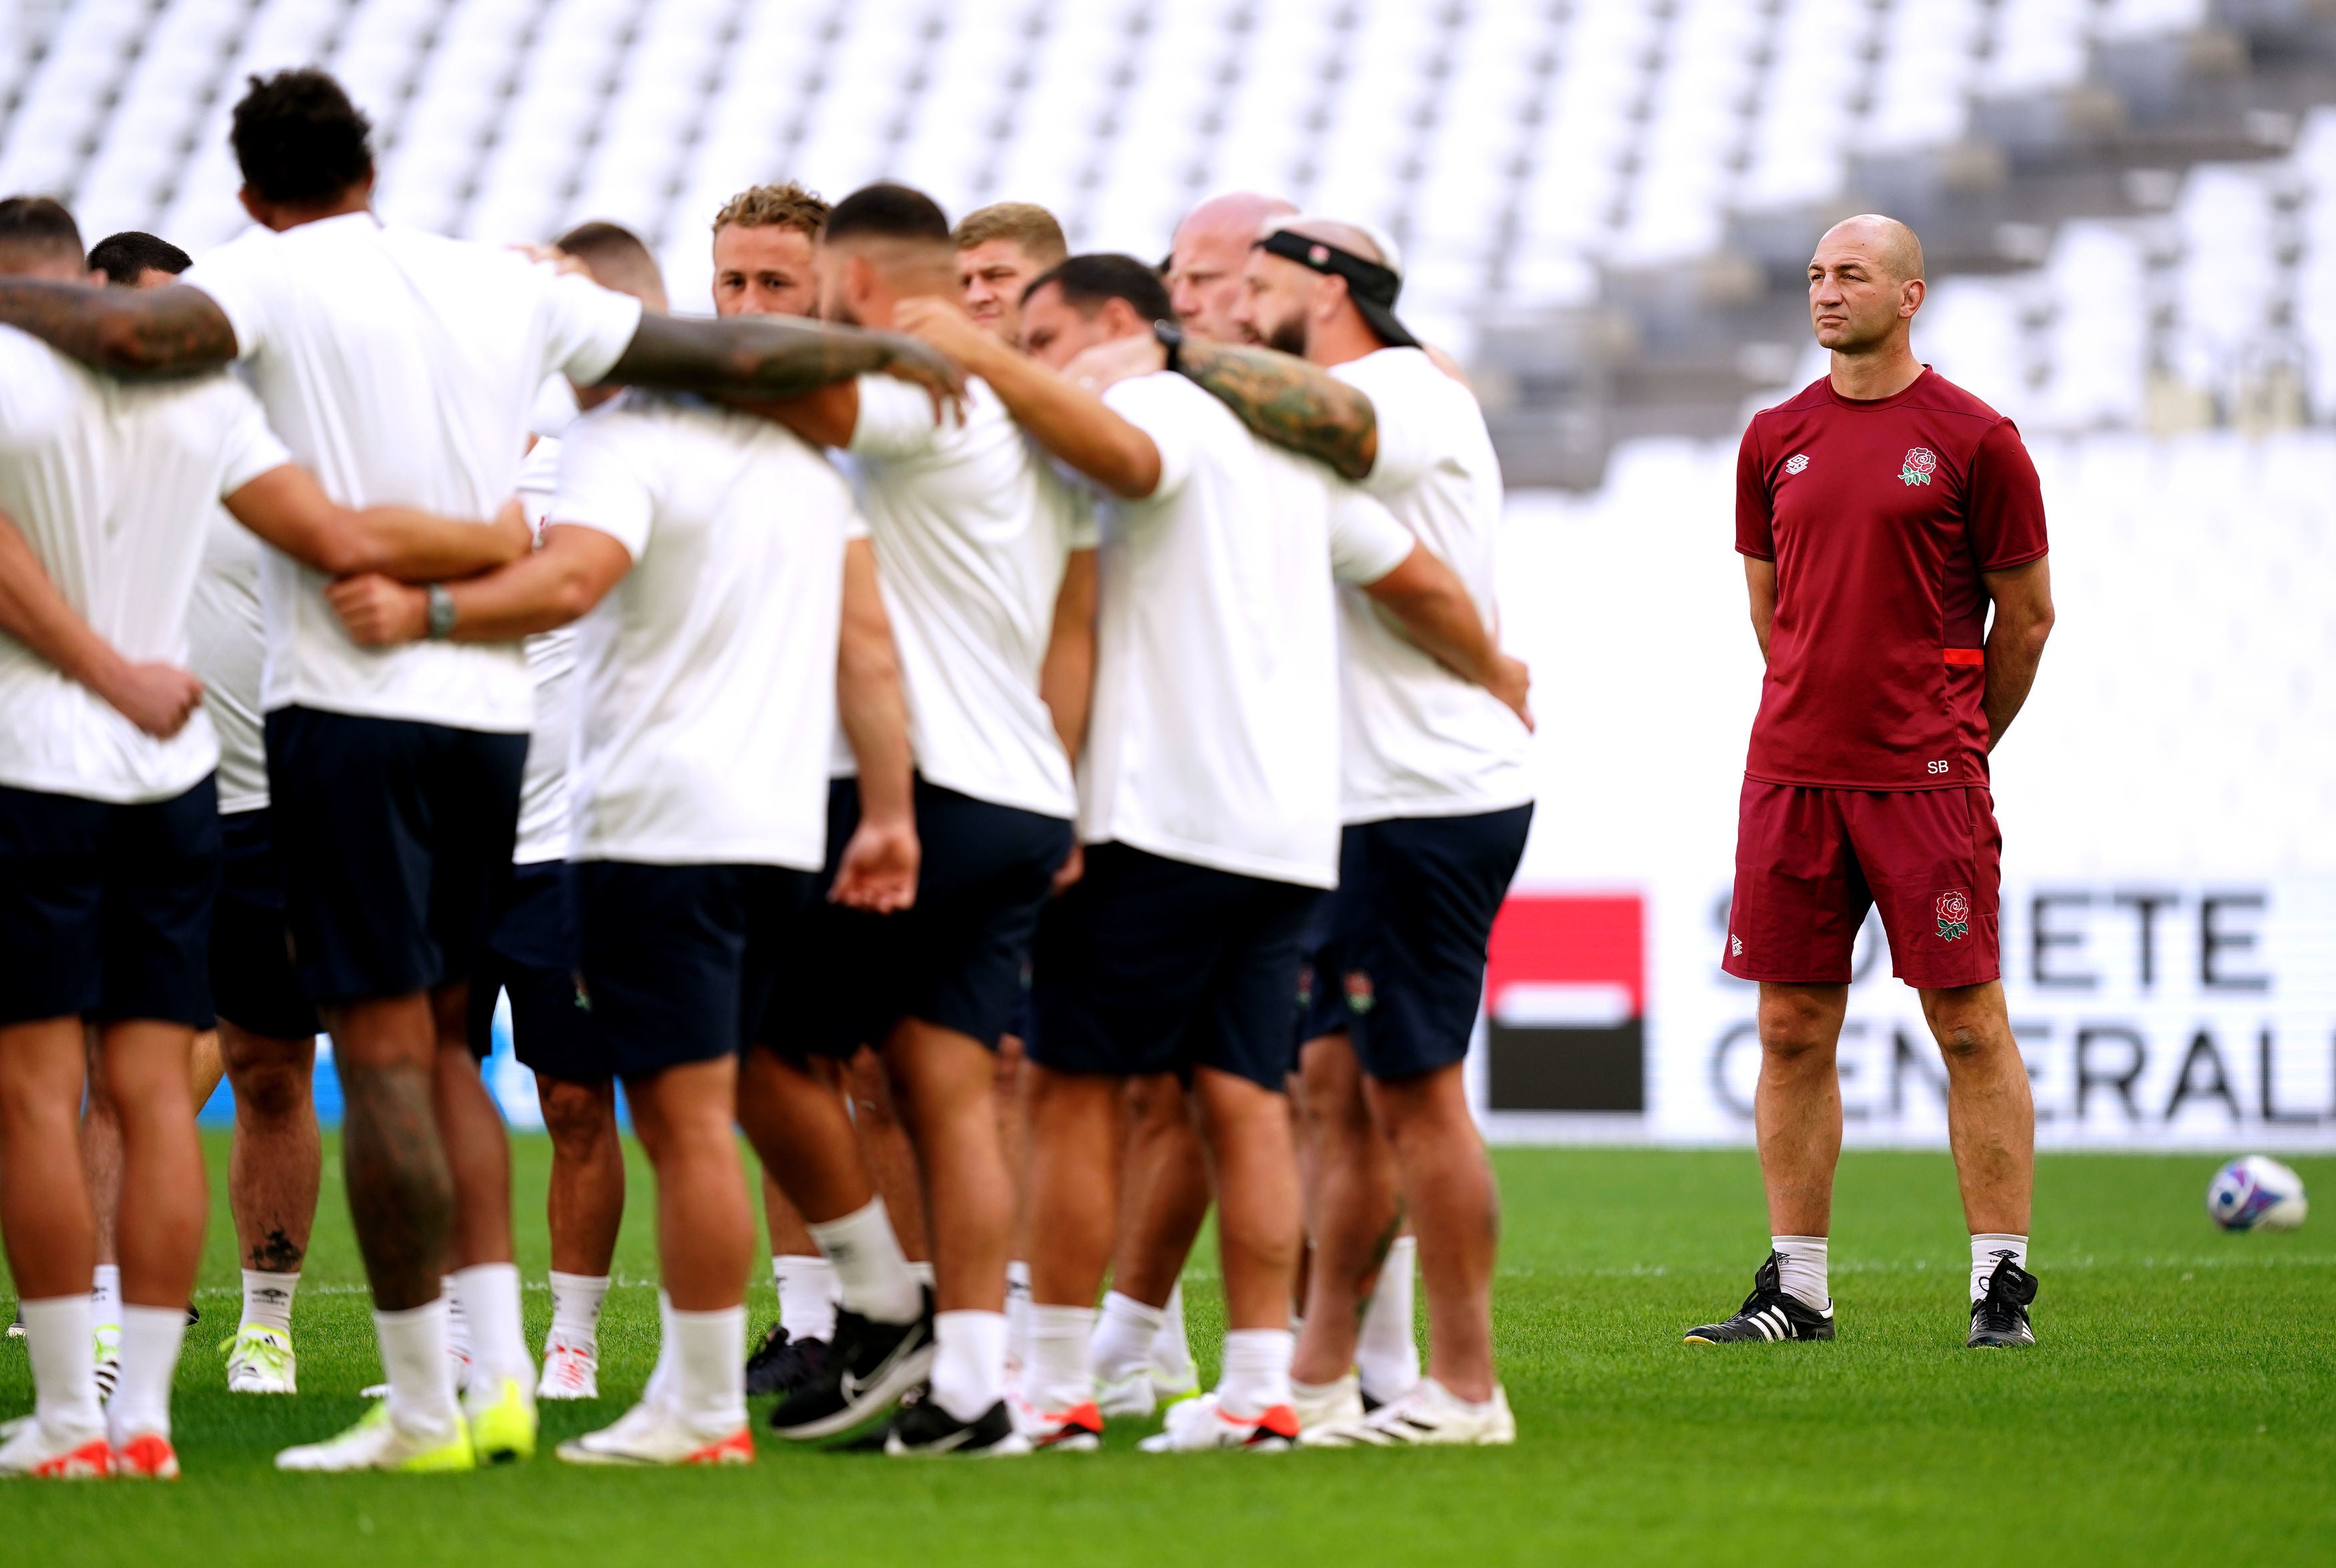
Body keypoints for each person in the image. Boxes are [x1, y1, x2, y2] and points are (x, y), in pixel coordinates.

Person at [0, 68, 958, 1474]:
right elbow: (713, 359)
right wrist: (889, 361)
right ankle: (507, 1373)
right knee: (457, 1046)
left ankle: (429, 1401)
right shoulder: (506, 286)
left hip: (352, 706)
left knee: (391, 1054)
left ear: (255, 194)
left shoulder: (262, 278)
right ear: (373, 169)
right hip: (491, 729)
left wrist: (29, 298)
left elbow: (137, 331)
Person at [895, 254, 1528, 1452]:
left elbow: (1131, 464)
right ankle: (1258, 1390)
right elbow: (1415, 575)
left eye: (1045, 334)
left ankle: (1057, 1385)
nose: (1036, 359)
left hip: (1157, 818)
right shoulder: (1280, 443)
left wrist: (977, 358)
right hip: (1287, 833)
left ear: (1120, 324)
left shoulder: (1151, 408)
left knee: (1080, 1096)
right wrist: (1492, 670)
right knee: (1246, 1099)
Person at [0, 194, 537, 1480]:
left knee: (67, 1085)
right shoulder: (213, 422)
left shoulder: (123, 414)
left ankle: (97, 1408)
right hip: (182, 784)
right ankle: (135, 1414)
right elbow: (348, 538)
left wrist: (107, 672)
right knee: (147, 1081)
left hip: (122, 780)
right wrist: (503, 539)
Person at [326, 250, 892, 1463]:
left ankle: (701, 1408)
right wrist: (883, 806)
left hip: (656, 826)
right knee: (755, 1084)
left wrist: (422, 609)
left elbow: (571, 579)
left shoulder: (622, 450)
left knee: (684, 1119)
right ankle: (885, 1297)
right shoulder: (796, 458)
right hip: (776, 822)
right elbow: (865, 646)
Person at [740, 182, 1093, 1457]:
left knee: (747, 1043)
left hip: (920, 788)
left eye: (813, 284)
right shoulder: (1047, 425)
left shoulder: (911, 398)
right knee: (950, 1086)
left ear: (865, 286)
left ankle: (881, 1309)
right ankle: (970, 1391)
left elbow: (778, 390)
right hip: (1020, 792)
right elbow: (1076, 623)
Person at [1685, 215, 2053, 1350]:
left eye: (1850, 274)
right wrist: (1819, 708)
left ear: (1911, 296)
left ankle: (2000, 1286)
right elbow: (1770, 608)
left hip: (1925, 780)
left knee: (1969, 1024)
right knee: (1792, 1027)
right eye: (1814, 275)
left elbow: (2028, 620)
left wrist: (1955, 740)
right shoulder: (1771, 436)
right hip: (1792, 775)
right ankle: (1798, 1292)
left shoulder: (1977, 439)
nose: (1826, 291)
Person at [1202, 215, 1536, 1443]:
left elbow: (1331, 437)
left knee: (1418, 1098)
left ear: (1330, 287)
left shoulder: (1399, 390)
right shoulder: (1356, 394)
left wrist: (1169, 352)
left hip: (1423, 798)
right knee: (1339, 1098)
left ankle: (1465, 1386)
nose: (1236, 305)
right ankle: (1318, 1378)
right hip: (1364, 800)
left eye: (1257, 283)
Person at [695, 179, 938, 1403]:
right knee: (775, 1059)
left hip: (890, 779)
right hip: (757, 774)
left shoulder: (883, 413)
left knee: (890, 1071)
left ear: (833, 287)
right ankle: (817, 1323)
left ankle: (921, 1318)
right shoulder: (703, 423)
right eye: (731, 282)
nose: (747, 305)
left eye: (774, 282)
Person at [89, 227, 323, 1399]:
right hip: (117, 802)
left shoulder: (261, 449)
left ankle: (266, 1325)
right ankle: (95, 1311)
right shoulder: (51, 453)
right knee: (109, 1066)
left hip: (264, 815)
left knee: (273, 1068)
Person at [463, 222, 673, 1405]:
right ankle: (452, 1339)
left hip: (569, 844)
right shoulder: (449, 455)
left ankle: (572, 1345)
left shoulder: (637, 464)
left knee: (576, 1100)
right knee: (430, 1086)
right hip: (449, 834)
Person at [952, 202, 1067, 352]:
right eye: (964, 283)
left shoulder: (1101, 369)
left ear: (1053, 280)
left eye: (997, 276)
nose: (975, 297)